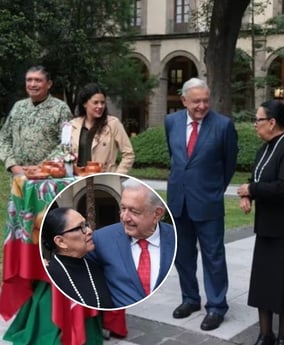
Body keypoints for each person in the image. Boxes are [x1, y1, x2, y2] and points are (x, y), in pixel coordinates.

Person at [237, 100, 284, 345]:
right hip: (267, 228)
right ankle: (265, 334)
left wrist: (252, 188)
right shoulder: (265, 148)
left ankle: (283, 337)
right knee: (264, 284)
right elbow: (257, 177)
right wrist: (249, 194)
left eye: (258, 120)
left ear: (272, 122)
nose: (254, 125)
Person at [165, 77, 238, 331]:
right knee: (182, 256)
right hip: (178, 202)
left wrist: (215, 191)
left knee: (213, 256)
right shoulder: (171, 122)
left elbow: (229, 164)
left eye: (206, 100)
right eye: (196, 101)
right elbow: (176, 158)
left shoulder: (223, 125)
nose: (202, 106)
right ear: (184, 100)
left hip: (208, 202)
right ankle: (190, 299)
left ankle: (217, 306)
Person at [87, 178, 176, 308]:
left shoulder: (175, 238)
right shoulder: (101, 239)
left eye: (134, 211)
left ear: (157, 214)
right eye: (123, 208)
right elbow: (75, 266)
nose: (125, 217)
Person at [0, 65, 72, 174]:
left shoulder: (61, 109)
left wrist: (43, 167)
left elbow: (67, 144)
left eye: (38, 80)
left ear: (49, 84)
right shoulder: (18, 107)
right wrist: (12, 165)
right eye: (29, 80)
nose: (32, 84)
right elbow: (4, 138)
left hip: (48, 178)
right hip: (18, 177)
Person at [42, 207, 114, 309]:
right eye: (80, 228)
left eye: (86, 225)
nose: (89, 231)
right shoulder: (49, 276)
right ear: (61, 242)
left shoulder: (95, 267)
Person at [69, 83, 135, 173]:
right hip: (78, 180)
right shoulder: (73, 125)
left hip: (104, 180)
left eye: (102, 103)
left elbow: (128, 154)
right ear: (85, 104)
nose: (100, 106)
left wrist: (117, 176)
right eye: (95, 102)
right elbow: (65, 154)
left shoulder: (113, 124)